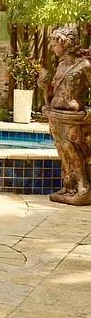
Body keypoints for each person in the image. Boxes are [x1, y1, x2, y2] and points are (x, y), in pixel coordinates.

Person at [38, 26, 91, 205]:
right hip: (56, 115)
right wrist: (45, 86)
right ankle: (69, 186)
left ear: (64, 43)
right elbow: (53, 93)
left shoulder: (84, 65)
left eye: (54, 44)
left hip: (73, 116)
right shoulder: (61, 65)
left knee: (72, 148)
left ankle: (84, 188)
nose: (52, 48)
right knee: (62, 150)